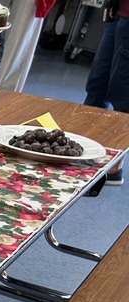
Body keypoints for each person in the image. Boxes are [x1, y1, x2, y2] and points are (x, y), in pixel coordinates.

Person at [84, 0, 128, 185]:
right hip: (116, 13)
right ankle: (87, 150)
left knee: (122, 93)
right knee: (96, 85)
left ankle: (114, 165)